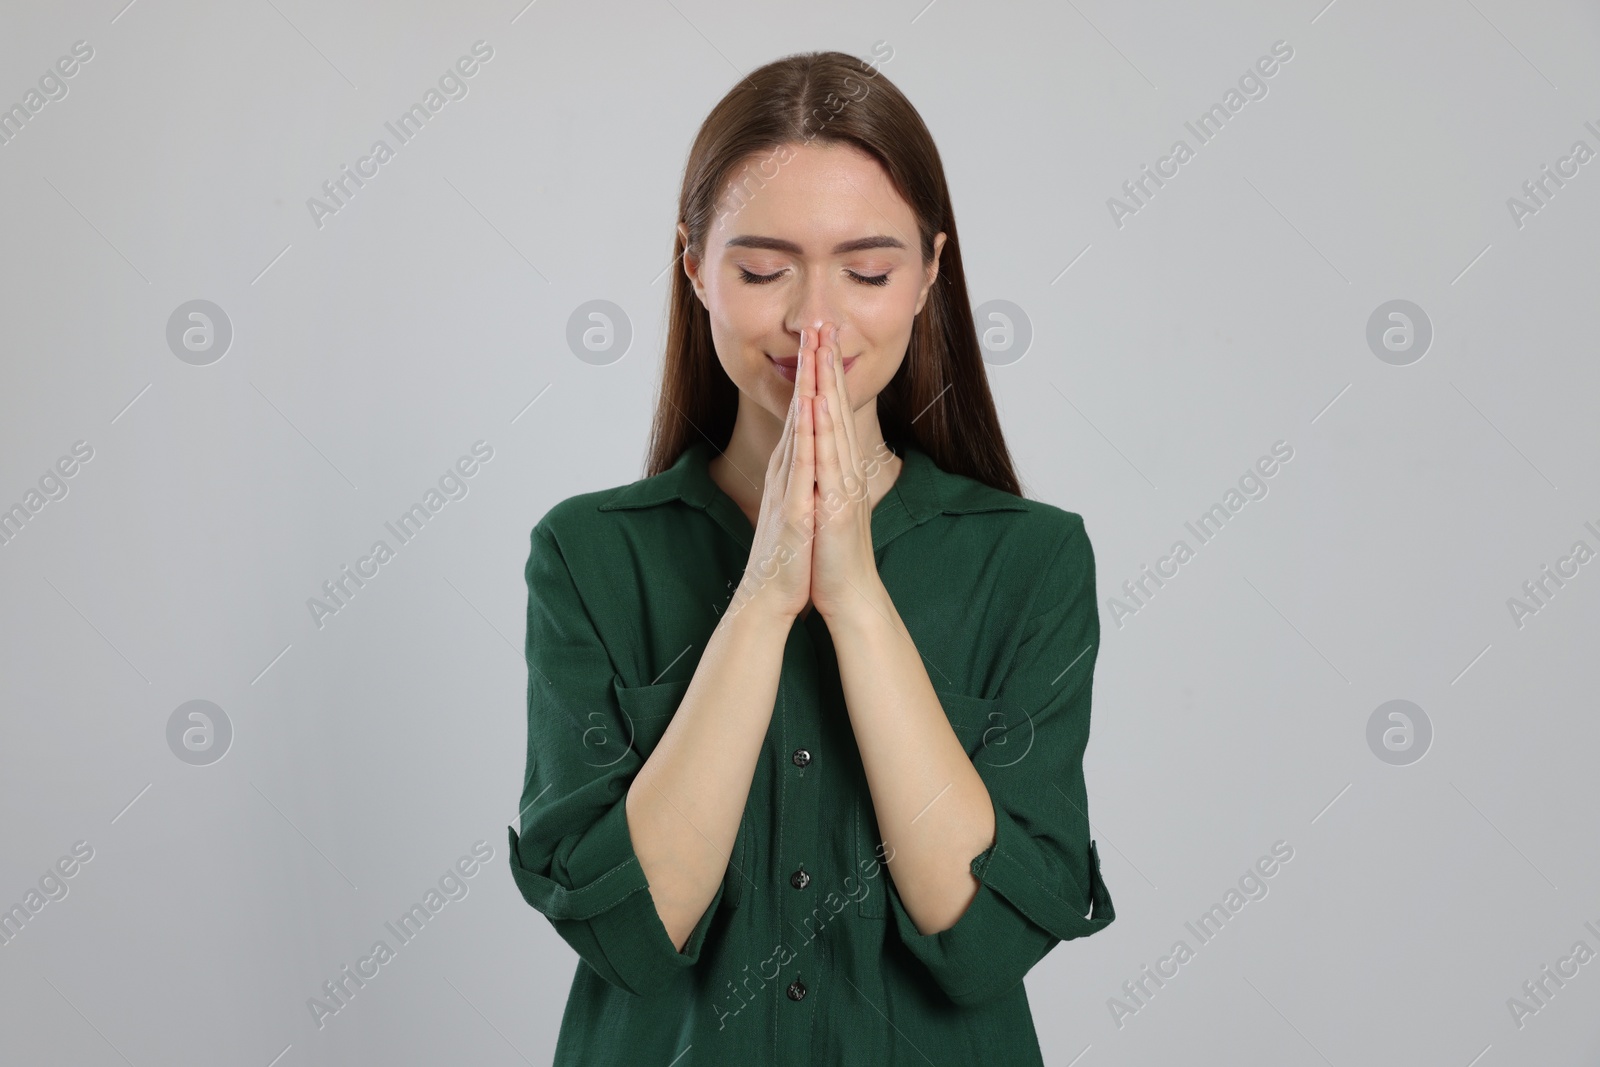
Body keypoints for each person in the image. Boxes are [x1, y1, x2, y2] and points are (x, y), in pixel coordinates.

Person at [507, 49, 1115, 1066]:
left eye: (867, 270)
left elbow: (985, 938)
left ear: (928, 273)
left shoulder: (1032, 559)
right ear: (695, 267)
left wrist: (856, 598)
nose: (812, 320)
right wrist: (763, 591)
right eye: (761, 269)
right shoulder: (588, 554)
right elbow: (629, 929)